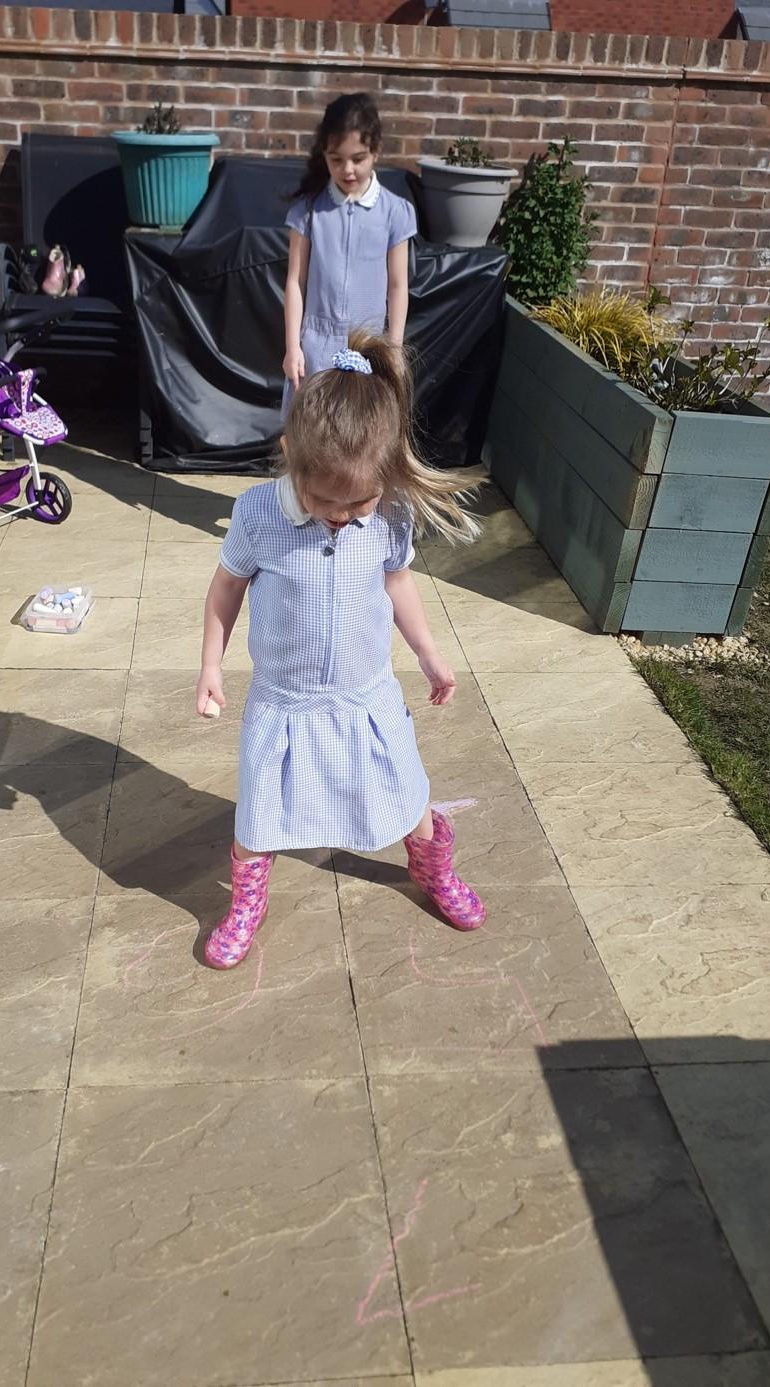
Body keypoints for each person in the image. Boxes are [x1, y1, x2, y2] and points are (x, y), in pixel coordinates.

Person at [195, 331, 486, 970]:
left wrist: (429, 654)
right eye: (325, 498)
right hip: (285, 702)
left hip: (366, 696)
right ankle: (246, 900)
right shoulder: (258, 515)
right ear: (290, 456)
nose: (341, 514)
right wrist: (211, 665)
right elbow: (226, 588)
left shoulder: (390, 516)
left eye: (359, 501)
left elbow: (398, 582)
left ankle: (431, 867)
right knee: (260, 810)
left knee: (407, 794)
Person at [282, 92, 416, 416]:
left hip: (368, 351)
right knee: (309, 432)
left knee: (359, 434)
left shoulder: (395, 212)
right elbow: (295, 282)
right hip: (315, 350)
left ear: (376, 150)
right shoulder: (308, 211)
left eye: (358, 159)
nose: (348, 169)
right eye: (336, 159)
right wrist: (292, 347)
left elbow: (398, 285)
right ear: (324, 154)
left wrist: (394, 348)